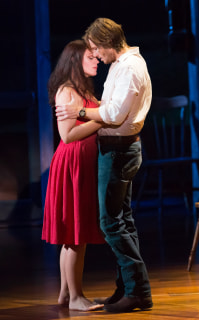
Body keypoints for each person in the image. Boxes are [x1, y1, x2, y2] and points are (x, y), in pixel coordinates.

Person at [55, 18, 153, 313]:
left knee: (112, 223)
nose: (96, 55)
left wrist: (82, 110)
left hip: (120, 150)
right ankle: (128, 288)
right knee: (120, 221)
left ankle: (137, 291)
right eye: (90, 52)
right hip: (115, 149)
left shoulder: (129, 68)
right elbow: (73, 131)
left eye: (97, 49)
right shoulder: (120, 67)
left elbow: (114, 114)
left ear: (108, 42)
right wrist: (88, 110)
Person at [42, 39, 104, 311]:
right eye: (91, 57)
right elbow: (67, 135)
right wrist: (99, 120)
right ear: (75, 61)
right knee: (75, 236)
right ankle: (77, 298)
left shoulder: (82, 89)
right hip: (72, 165)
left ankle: (66, 294)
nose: (97, 61)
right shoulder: (67, 92)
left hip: (81, 164)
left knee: (75, 234)